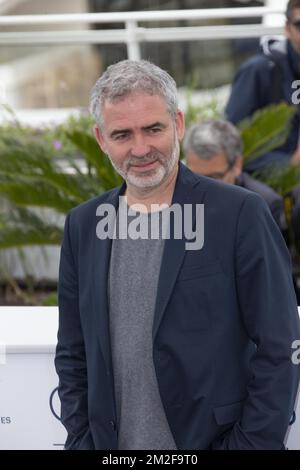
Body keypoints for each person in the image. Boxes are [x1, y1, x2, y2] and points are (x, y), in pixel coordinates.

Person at [55, 59, 300, 450]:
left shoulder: (239, 213)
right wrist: (84, 440)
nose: (141, 148)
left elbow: (280, 344)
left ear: (178, 124)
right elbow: (72, 353)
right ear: (101, 140)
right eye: (122, 134)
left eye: (153, 128)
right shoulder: (84, 226)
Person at [225, 0, 300, 173]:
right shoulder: (259, 70)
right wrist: (288, 162)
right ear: (287, 29)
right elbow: (232, 142)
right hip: (275, 182)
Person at [184, 119, 284, 229]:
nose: (202, 188)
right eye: (195, 177)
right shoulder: (173, 198)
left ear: (237, 165)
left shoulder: (264, 205)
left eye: (214, 178)